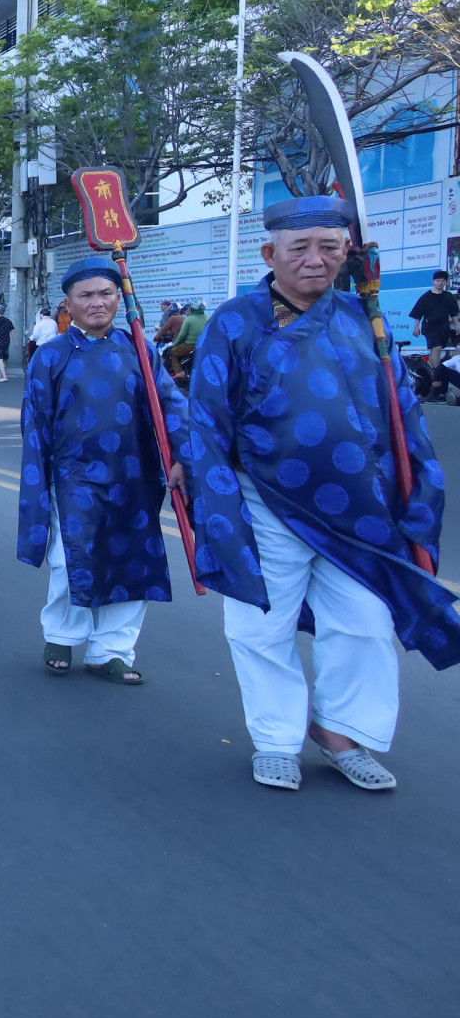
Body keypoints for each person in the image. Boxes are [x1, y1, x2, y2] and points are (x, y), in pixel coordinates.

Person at [184, 195, 460, 792]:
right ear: (270, 253)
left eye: (329, 248)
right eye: (300, 248)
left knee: (364, 621)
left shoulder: (367, 319)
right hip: (267, 499)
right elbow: (205, 422)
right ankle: (276, 738)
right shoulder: (235, 322)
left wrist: (420, 484)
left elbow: (400, 410)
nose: (315, 260)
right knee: (263, 624)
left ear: (347, 254)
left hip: (362, 508)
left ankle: (341, 733)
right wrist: (215, 502)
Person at [19, 258, 193, 684]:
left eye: (105, 294)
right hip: (72, 476)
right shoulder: (50, 356)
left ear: (119, 298)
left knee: (131, 560)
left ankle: (112, 650)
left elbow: (169, 403)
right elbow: (36, 422)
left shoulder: (139, 348)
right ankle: (62, 633)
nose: (97, 302)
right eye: (86, 295)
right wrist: (38, 477)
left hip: (133, 474)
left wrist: (183, 454)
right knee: (69, 560)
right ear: (69, 304)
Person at [410, 270, 458, 401]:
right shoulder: (426, 296)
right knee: (436, 348)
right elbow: (417, 313)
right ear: (433, 281)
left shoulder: (448, 296)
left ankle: (441, 378)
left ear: (446, 282)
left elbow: (454, 314)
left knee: (446, 352)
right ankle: (437, 375)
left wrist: (457, 325)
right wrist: (416, 328)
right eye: (438, 280)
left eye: (443, 280)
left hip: (444, 329)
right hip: (430, 328)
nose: (440, 282)